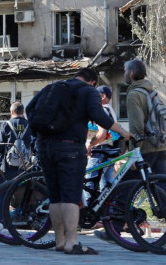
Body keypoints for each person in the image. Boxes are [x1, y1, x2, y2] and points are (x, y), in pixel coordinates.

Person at [33, 68, 131, 255]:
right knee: (70, 195)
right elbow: (99, 116)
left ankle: (60, 241)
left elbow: (31, 111)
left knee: (55, 195)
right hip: (70, 148)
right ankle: (72, 242)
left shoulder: (53, 88)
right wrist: (123, 132)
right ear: (93, 81)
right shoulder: (89, 92)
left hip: (45, 147)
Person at [124, 60, 166, 174]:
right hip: (161, 146)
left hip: (146, 149)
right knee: (160, 187)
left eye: (125, 71)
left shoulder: (134, 95)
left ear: (131, 73)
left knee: (129, 187)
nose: (124, 74)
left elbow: (137, 127)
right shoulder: (152, 91)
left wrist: (132, 154)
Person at [84, 86, 119, 204]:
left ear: (103, 96)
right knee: (107, 183)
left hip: (100, 149)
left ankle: (88, 211)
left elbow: (102, 133)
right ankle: (107, 212)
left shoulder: (102, 110)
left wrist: (90, 145)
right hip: (110, 149)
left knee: (89, 180)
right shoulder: (110, 110)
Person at [0, 101, 31, 182]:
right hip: (25, 166)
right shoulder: (29, 125)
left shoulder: (6, 124)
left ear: (12, 112)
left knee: (4, 190)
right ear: (23, 112)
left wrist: (1, 162)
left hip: (8, 167)